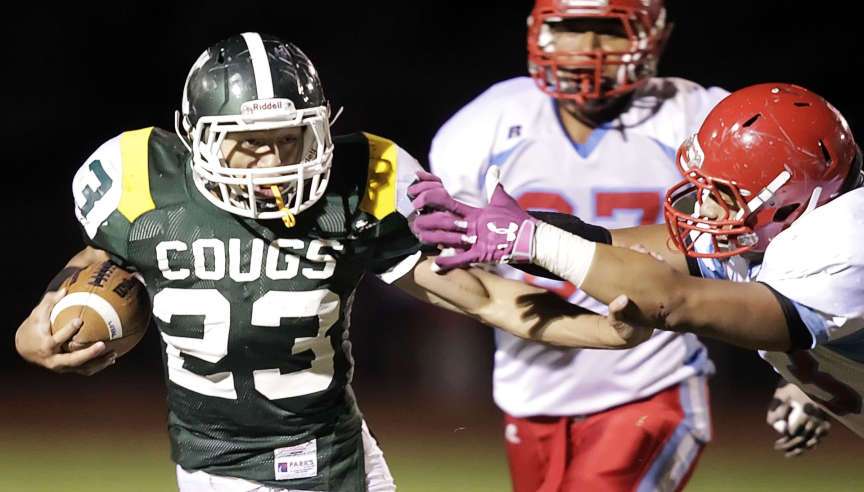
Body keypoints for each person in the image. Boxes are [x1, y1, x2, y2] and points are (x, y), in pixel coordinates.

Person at [13, 32, 472, 492]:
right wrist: (44, 315)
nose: (273, 160)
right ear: (198, 136)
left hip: (335, 459)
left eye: (289, 138)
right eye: (251, 141)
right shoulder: (145, 186)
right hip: (214, 466)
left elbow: (484, 296)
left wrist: (531, 245)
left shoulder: (357, 185)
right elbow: (103, 254)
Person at [410, 82, 864, 455]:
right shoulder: (788, 228)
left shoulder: (843, 241)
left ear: (794, 200)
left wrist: (534, 241)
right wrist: (514, 234)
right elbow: (624, 248)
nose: (703, 208)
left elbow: (673, 302)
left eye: (721, 193)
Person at [426, 0, 726, 489]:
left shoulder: (697, 117)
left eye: (607, 30)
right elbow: (450, 260)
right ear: (539, 33)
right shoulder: (484, 126)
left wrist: (802, 368)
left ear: (655, 36)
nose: (587, 49)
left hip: (651, 384)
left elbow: (770, 243)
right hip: (530, 389)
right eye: (571, 28)